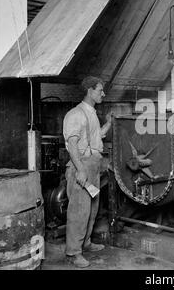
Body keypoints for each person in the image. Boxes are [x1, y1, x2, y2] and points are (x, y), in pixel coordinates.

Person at [63, 76, 113, 268]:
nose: (103, 94)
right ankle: (73, 253)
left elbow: (96, 137)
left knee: (92, 208)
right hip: (81, 165)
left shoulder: (90, 112)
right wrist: (81, 170)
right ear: (90, 91)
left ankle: (86, 243)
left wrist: (108, 123)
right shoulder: (75, 114)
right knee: (79, 211)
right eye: (100, 90)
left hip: (93, 164)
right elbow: (73, 145)